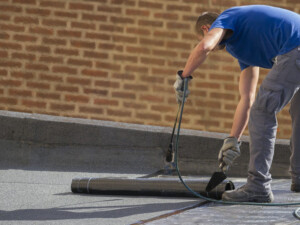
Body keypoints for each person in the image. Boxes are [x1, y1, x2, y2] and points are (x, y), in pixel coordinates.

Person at [173, 5, 300, 202]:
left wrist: (184, 76)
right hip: (295, 47)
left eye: (205, 35)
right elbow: (247, 98)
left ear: (206, 29)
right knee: (297, 111)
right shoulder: (242, 46)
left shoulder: (226, 18)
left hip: (295, 47)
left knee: (263, 111)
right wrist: (233, 140)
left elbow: (205, 47)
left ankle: (258, 186)